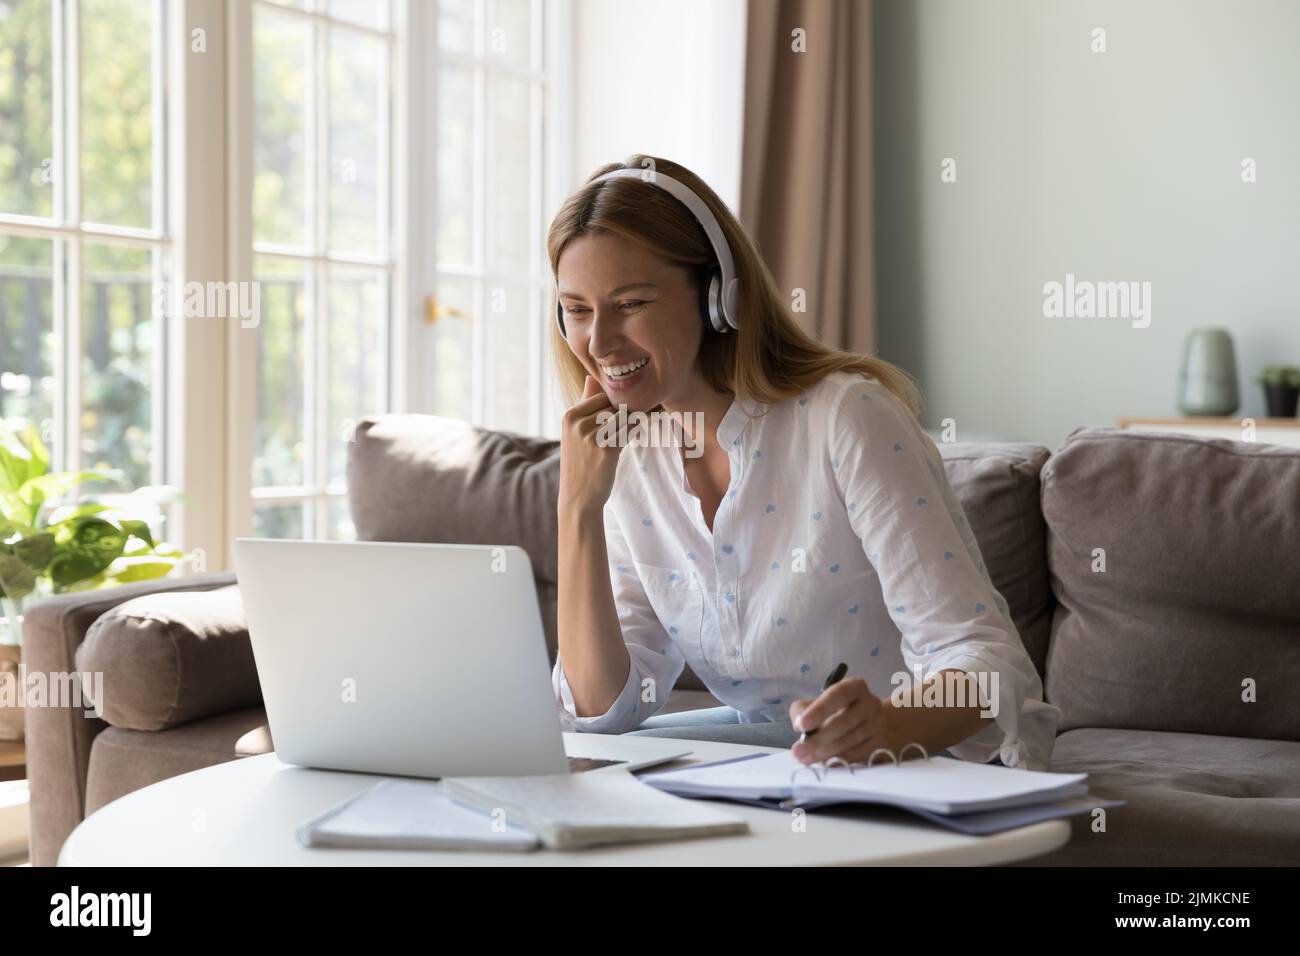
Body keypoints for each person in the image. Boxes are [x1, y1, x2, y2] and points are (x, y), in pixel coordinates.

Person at [549, 155, 1059, 770]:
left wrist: (890, 724)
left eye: (629, 303)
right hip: (778, 759)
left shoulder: (847, 417)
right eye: (576, 310)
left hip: (916, 756)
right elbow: (602, 713)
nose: (599, 343)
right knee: (582, 765)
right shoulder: (627, 458)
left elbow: (983, 659)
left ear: (717, 299)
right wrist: (577, 510)